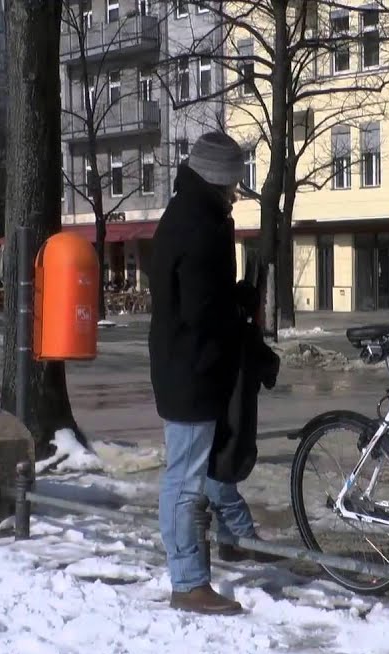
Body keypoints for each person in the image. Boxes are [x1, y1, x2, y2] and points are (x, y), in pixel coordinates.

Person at [149, 131, 264, 616]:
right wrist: (238, 302)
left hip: (187, 364)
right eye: (234, 182)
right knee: (185, 480)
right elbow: (201, 308)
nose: (237, 191)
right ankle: (189, 581)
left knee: (203, 463)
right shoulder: (201, 226)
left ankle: (237, 537)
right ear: (219, 178)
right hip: (192, 368)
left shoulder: (187, 213)